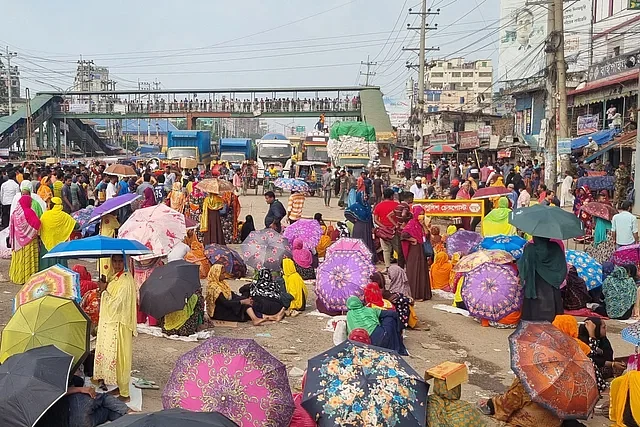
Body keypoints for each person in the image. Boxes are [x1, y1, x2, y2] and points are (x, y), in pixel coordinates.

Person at [93, 254, 137, 402]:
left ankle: (125, 394)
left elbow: (117, 303)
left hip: (120, 324)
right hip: (112, 322)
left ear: (124, 262)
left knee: (122, 358)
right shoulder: (114, 277)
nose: (117, 264)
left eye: (120, 261)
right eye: (115, 261)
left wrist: (104, 291)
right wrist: (104, 288)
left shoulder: (125, 280)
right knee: (116, 358)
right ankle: (120, 386)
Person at [518, 237, 566, 322]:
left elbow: (524, 268)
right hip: (552, 284)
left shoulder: (530, 248)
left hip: (534, 285)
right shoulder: (555, 247)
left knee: (534, 309)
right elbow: (562, 267)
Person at [8, 194, 41, 285]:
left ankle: (17, 276)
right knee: (28, 258)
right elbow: (37, 223)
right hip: (29, 242)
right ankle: (27, 277)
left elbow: (11, 227)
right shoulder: (29, 212)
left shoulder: (15, 213)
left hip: (17, 241)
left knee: (19, 259)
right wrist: (32, 232)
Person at [401, 206, 432, 301]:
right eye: (420, 214)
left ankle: (423, 294)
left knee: (422, 271)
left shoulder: (420, 224)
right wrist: (412, 239)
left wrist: (423, 225)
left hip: (421, 251)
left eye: (423, 214)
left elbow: (427, 235)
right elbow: (403, 235)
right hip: (414, 251)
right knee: (414, 271)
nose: (421, 216)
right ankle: (415, 294)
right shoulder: (411, 223)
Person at [579, 318, 622, 382]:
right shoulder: (581, 342)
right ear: (595, 329)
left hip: (604, 367)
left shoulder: (603, 340)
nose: (605, 329)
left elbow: (608, 355)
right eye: (603, 327)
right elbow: (591, 359)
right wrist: (592, 336)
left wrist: (613, 364)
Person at [39, 197, 76, 271]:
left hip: (47, 242)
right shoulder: (65, 216)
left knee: (46, 263)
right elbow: (75, 225)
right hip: (60, 244)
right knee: (60, 265)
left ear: (52, 205)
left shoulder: (45, 215)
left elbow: (39, 227)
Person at [345, 192, 376, 264]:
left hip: (367, 226)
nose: (365, 197)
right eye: (364, 196)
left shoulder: (367, 205)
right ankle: (358, 258)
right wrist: (353, 220)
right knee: (360, 241)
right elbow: (347, 213)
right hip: (359, 226)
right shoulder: (355, 206)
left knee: (367, 241)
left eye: (366, 196)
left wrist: (372, 227)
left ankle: (368, 258)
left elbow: (370, 217)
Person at [373, 188, 400, 269]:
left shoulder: (378, 206)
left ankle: (387, 267)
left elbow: (375, 220)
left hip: (384, 232)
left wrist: (383, 227)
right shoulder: (397, 205)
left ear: (384, 196)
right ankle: (401, 265)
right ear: (392, 196)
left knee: (386, 249)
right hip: (394, 230)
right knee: (398, 248)